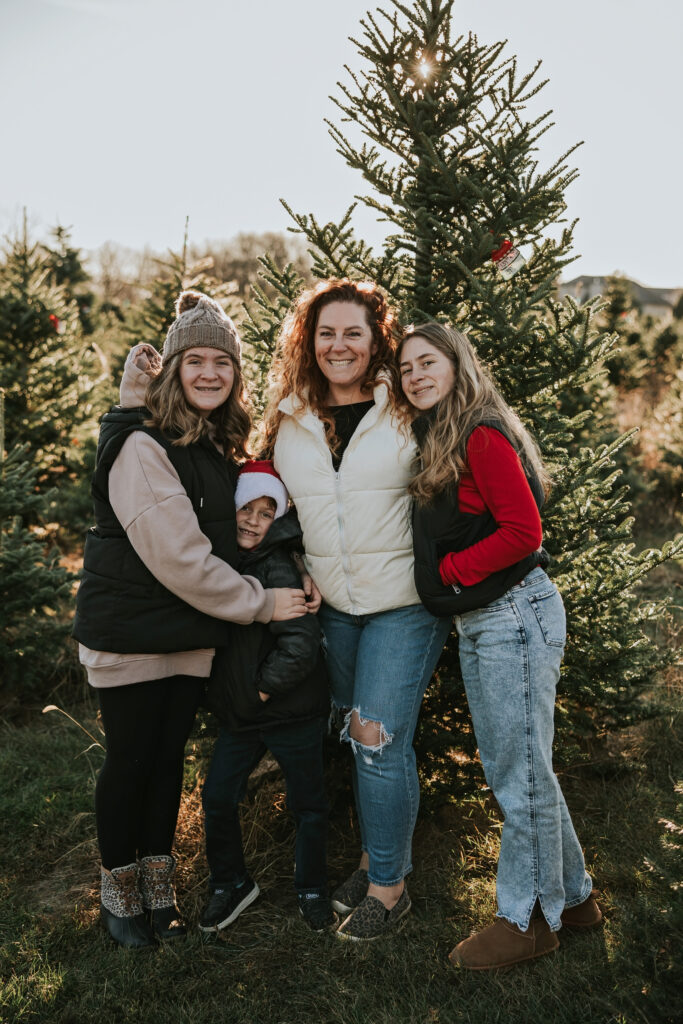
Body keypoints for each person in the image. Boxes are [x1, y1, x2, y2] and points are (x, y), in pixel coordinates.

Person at [73, 292, 307, 949]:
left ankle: (159, 888)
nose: (209, 373)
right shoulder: (143, 445)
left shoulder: (208, 443)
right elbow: (181, 556)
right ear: (172, 369)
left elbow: (240, 530)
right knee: (130, 762)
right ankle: (119, 896)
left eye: (222, 363)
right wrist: (260, 603)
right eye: (194, 361)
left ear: (236, 373)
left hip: (187, 635)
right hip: (132, 635)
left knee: (168, 760)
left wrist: (292, 565)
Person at [398, 321, 602, 970]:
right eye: (405, 369)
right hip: (490, 620)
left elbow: (522, 530)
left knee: (517, 773)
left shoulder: (479, 432)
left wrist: (452, 573)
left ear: (456, 364)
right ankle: (573, 900)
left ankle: (527, 921)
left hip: (511, 615)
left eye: (427, 362)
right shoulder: (442, 434)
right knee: (522, 766)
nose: (416, 376)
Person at [262, 279, 451, 942]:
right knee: (355, 736)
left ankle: (388, 891)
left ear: (376, 340)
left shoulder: (405, 407)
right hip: (334, 610)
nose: (337, 345)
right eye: (325, 333)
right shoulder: (287, 416)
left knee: (375, 737)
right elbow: (268, 509)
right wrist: (294, 574)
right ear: (306, 342)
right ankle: (378, 856)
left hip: (402, 605)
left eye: (352, 333)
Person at [200, 460, 335, 932]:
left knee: (308, 804)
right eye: (247, 509)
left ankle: (312, 887)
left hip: (290, 710)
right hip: (244, 711)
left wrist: (258, 689)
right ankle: (230, 882)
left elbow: (300, 646)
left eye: (266, 512)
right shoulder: (214, 563)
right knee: (217, 796)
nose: (253, 520)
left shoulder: (278, 566)